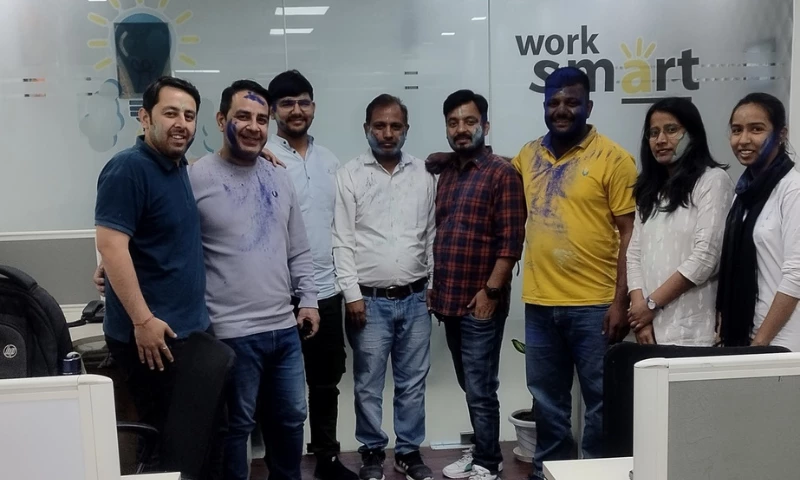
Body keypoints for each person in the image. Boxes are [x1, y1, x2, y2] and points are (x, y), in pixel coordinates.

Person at [185, 79, 320, 480]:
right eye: (243, 116)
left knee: (292, 418)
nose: (253, 126)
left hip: (284, 329)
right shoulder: (194, 178)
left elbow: (298, 247)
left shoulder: (279, 175)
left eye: (262, 119)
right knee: (237, 427)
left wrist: (309, 299)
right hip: (230, 332)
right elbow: (165, 239)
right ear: (221, 119)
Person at [510, 67, 638, 480]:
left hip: (596, 305)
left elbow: (629, 234)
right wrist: (451, 159)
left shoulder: (614, 158)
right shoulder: (528, 156)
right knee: (547, 401)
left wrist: (620, 301)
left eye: (571, 102)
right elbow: (496, 172)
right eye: (553, 102)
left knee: (602, 401)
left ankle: (598, 473)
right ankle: (551, 472)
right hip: (540, 304)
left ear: (589, 106)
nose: (561, 110)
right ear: (544, 105)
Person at [94, 76, 222, 478]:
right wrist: (142, 320)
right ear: (145, 117)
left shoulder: (176, 165)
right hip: (154, 337)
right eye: (170, 113)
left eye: (189, 115)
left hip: (187, 332)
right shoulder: (128, 168)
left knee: (197, 444)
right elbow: (111, 246)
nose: (181, 123)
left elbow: (139, 238)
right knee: (168, 452)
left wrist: (256, 154)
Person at [332, 94, 436, 480]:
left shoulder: (424, 174)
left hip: (416, 298)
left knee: (412, 382)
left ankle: (408, 452)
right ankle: (372, 451)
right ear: (367, 129)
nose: (387, 133)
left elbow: (431, 235)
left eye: (395, 126)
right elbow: (342, 239)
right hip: (368, 302)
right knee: (368, 385)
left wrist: (433, 285)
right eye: (380, 126)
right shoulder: (350, 174)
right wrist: (351, 295)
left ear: (406, 130)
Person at [426, 90, 526, 480]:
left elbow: (511, 242)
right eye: (453, 123)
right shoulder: (448, 172)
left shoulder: (502, 174)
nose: (461, 129)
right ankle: (484, 450)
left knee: (481, 388)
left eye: (469, 122)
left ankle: (488, 462)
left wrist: (492, 292)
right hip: (449, 300)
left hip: (481, 301)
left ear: (485, 125)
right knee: (470, 384)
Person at [264, 70, 357, 480]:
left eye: (303, 102)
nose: (296, 110)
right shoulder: (262, 157)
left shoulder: (330, 161)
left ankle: (327, 458)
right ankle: (281, 466)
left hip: (326, 291)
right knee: (278, 389)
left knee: (325, 382)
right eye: (287, 103)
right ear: (273, 111)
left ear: (314, 107)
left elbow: (340, 227)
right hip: (277, 295)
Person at [626, 97, 734, 346]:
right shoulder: (649, 190)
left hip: (693, 331)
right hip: (648, 329)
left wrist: (650, 305)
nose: (661, 140)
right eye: (654, 133)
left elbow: (706, 257)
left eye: (671, 130)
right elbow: (634, 255)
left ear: (692, 134)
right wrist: (641, 315)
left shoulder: (712, 181)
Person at [717, 93, 800, 351]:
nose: (743, 140)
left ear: (781, 134)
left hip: (782, 339)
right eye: (736, 130)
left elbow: (796, 275)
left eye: (756, 129)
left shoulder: (793, 190)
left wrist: (761, 342)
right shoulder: (743, 194)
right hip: (745, 335)